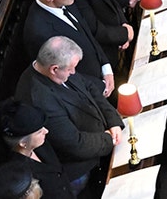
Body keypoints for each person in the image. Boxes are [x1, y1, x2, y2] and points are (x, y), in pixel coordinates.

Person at [14, 36, 123, 196]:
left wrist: (113, 122)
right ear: (54, 69)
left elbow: (90, 88)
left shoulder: (58, 69)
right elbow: (74, 144)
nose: (74, 72)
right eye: (71, 69)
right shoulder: (39, 99)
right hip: (84, 166)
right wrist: (109, 139)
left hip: (103, 138)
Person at [22, 0, 114, 96]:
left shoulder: (65, 0)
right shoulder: (38, 32)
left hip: (102, 76)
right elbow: (62, 75)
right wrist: (100, 87)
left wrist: (106, 68)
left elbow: (87, 35)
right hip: (89, 92)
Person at [0, 99, 73, 198]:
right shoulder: (17, 176)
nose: (46, 131)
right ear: (23, 143)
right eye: (39, 132)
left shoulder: (38, 143)